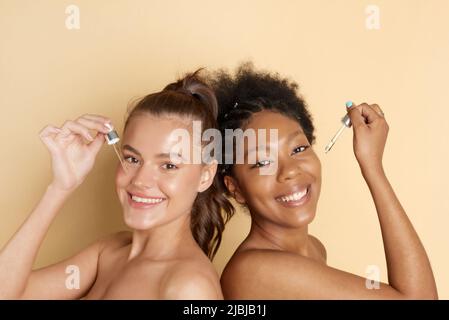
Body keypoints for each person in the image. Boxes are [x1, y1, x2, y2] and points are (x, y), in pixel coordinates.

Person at [210, 63, 438, 299]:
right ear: (234, 188)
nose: (289, 171)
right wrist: (372, 166)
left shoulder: (313, 248)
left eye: (298, 148)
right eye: (262, 162)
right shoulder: (255, 271)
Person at [0, 70, 234, 299]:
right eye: (133, 159)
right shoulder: (109, 253)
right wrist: (61, 187)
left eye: (169, 165)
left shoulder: (188, 288)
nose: (140, 180)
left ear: (205, 176)